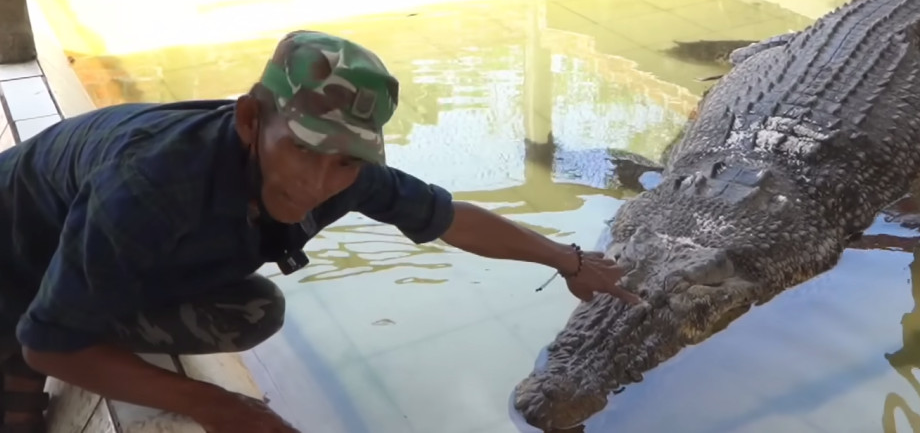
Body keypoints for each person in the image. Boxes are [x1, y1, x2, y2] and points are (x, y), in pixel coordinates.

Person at [0, 30, 640, 433]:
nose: (318, 180)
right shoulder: (153, 186)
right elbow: (51, 348)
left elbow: (450, 217)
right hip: (12, 250)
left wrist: (568, 262)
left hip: (78, 242)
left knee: (249, 310)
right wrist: (219, 405)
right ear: (251, 120)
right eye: (304, 149)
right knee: (35, 350)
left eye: (346, 159)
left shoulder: (344, 173)